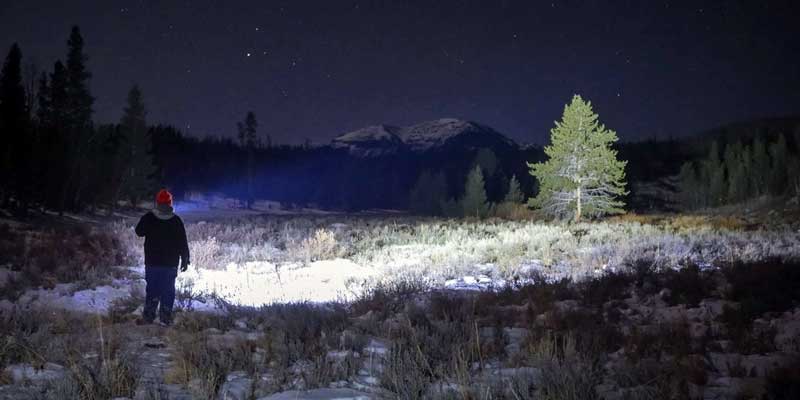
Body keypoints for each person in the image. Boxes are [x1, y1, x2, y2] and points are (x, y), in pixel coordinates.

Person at [135, 189, 190, 326]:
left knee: (152, 289)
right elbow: (183, 242)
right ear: (170, 203)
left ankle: (148, 317)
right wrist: (185, 259)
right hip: (170, 264)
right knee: (168, 291)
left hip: (152, 262)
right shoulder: (176, 220)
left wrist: (148, 217)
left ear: (157, 202)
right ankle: (165, 319)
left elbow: (139, 232)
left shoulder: (149, 217)